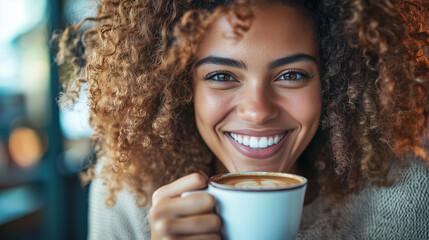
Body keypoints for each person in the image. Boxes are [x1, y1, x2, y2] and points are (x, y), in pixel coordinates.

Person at [56, 0, 429, 239]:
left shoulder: (403, 193)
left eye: (292, 75)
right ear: (181, 88)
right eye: (221, 76)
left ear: (335, 84)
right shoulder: (126, 191)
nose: (258, 110)